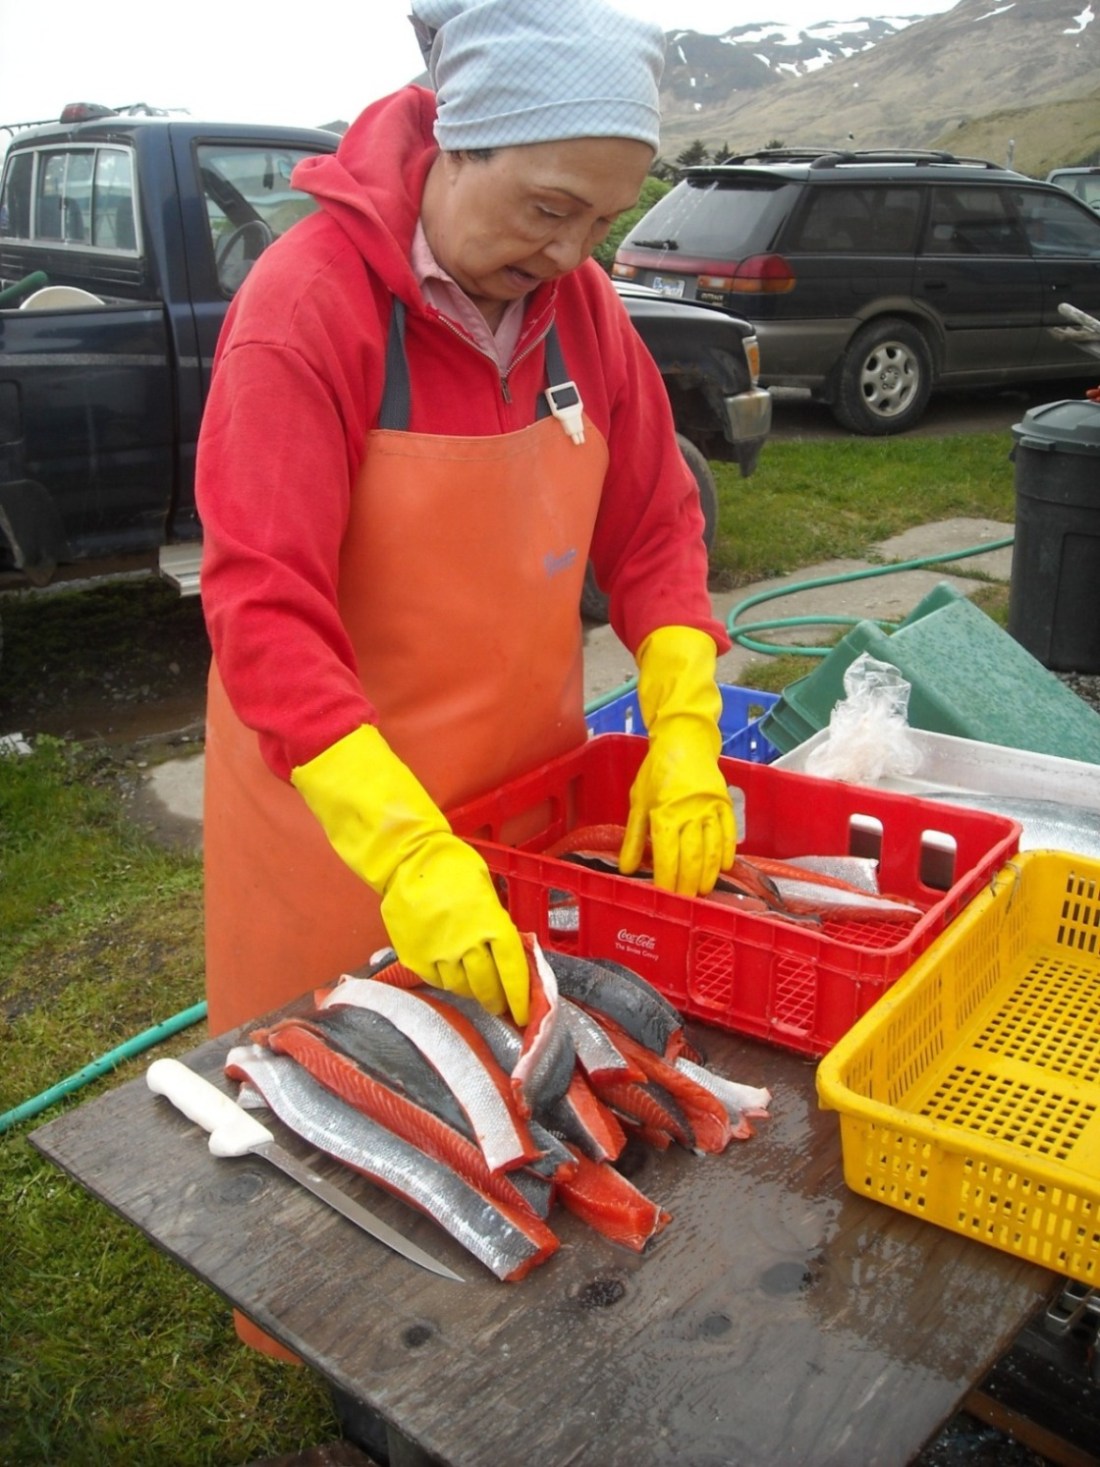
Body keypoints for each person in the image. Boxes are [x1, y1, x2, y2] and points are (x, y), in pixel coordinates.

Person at [197, 0, 735, 1075]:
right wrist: (403, 852)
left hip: (527, 820)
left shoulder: (581, 310)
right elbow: (264, 611)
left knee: (523, 1103)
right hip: (342, 836)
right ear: (456, 138)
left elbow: (652, 531)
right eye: (548, 207)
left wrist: (684, 727)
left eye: (601, 224)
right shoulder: (304, 311)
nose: (570, 251)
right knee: (347, 1123)